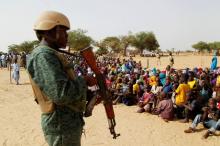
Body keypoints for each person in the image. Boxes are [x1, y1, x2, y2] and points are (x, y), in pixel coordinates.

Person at [27, 11, 95, 146]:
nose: (67, 36)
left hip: (67, 124)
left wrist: (88, 95)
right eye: (64, 32)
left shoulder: (51, 54)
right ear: (50, 32)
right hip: (61, 126)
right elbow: (61, 94)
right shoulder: (43, 56)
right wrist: (85, 80)